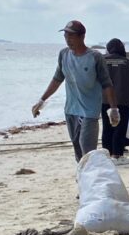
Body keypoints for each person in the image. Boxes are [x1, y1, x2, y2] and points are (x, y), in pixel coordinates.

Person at [32, 20, 118, 162]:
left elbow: (107, 84)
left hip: (90, 112)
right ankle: (83, 178)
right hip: (71, 110)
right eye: (65, 36)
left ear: (82, 37)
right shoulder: (64, 55)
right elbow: (57, 79)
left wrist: (114, 109)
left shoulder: (95, 57)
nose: (68, 40)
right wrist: (41, 101)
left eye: (71, 36)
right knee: (77, 149)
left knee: (87, 149)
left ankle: (91, 178)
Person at [101, 38, 129, 165]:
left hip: (105, 99)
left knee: (107, 127)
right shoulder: (127, 62)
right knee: (120, 127)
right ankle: (117, 155)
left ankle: (107, 155)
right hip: (124, 99)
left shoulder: (102, 60)